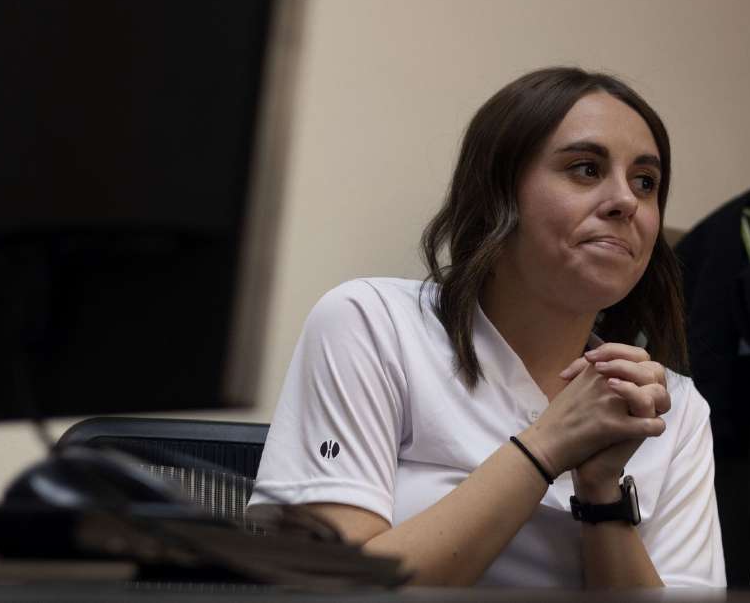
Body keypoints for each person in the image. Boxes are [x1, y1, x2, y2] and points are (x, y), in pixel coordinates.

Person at [248, 67, 725, 588]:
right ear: (497, 195)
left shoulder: (674, 410)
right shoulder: (371, 322)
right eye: (586, 169)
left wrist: (602, 495)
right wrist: (545, 448)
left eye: (645, 182)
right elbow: (338, 588)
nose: (626, 201)